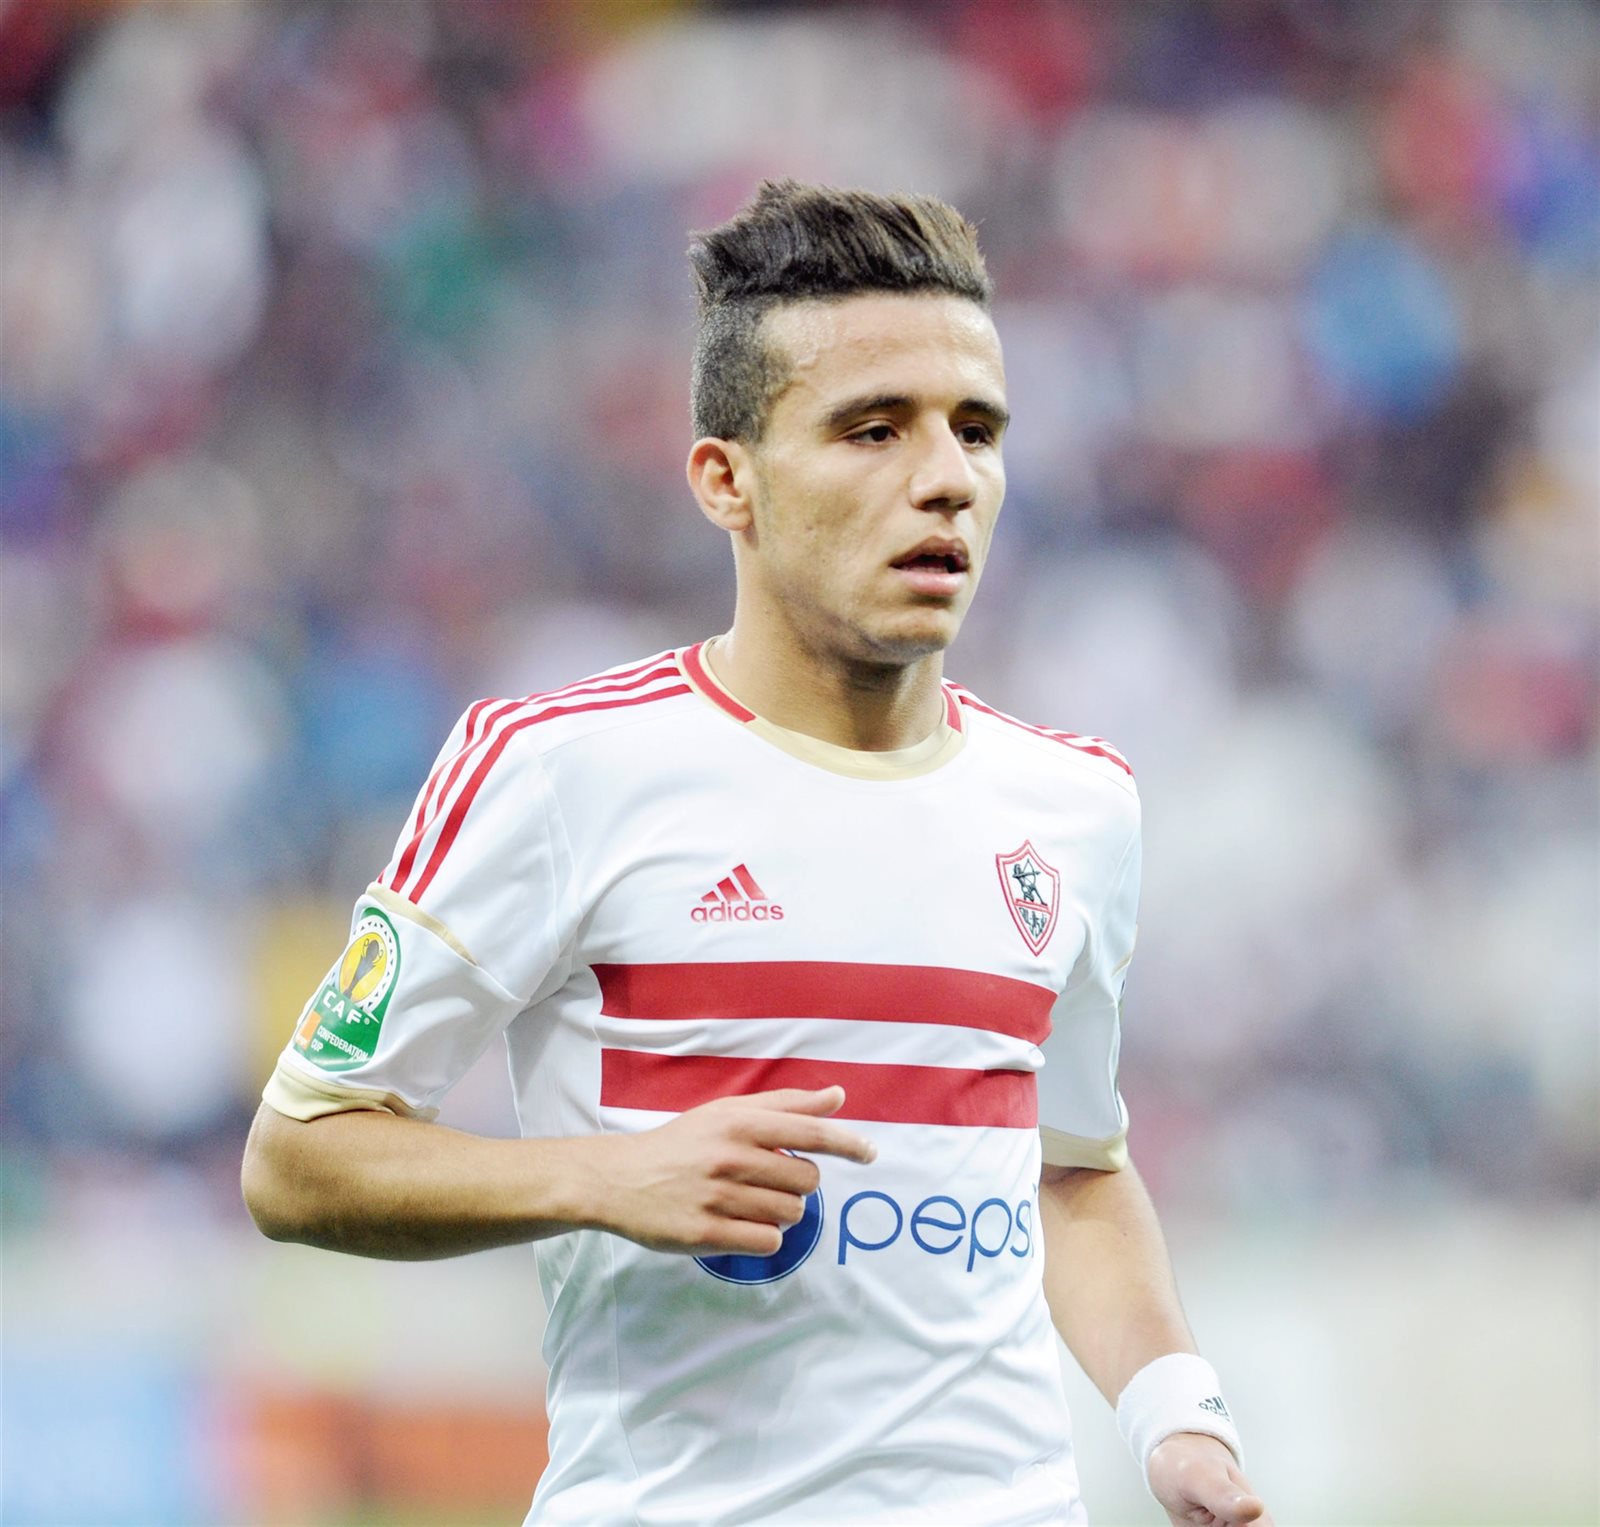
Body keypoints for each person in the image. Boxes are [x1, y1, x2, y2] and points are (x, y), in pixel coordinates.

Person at [242, 179, 1273, 1527]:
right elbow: (300, 1156)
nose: (945, 478)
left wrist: (1175, 1417)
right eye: (872, 429)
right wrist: (606, 1181)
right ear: (727, 480)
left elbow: (1073, 1166)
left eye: (975, 429)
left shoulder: (1075, 805)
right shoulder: (558, 770)